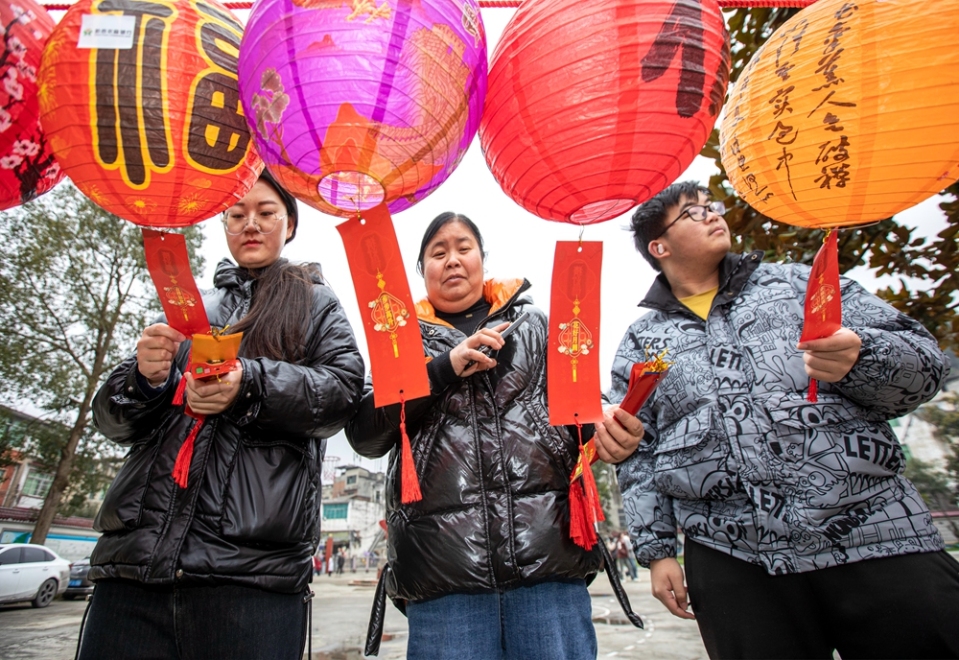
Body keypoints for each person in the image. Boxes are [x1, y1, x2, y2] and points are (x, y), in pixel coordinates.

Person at [610, 180, 959, 659]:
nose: (714, 215)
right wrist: (658, 551)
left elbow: (926, 366)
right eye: (694, 212)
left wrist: (863, 357)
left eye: (713, 206)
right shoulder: (641, 340)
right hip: (732, 555)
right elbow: (637, 451)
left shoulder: (802, 285)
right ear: (659, 246)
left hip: (876, 531)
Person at [78, 171, 365, 660]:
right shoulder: (187, 305)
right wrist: (143, 380)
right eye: (236, 214)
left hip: (250, 579)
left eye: (266, 212)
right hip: (133, 569)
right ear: (224, 224)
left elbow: (342, 391)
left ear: (290, 225)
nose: (250, 224)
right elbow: (110, 422)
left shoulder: (315, 302)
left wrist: (249, 383)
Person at [346, 212, 643, 659]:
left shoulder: (536, 325)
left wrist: (609, 430)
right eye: (438, 252)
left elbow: (582, 409)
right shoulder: (399, 340)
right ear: (421, 270)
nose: (452, 260)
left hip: (547, 556)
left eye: (463, 248)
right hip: (443, 572)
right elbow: (365, 434)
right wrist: (442, 369)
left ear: (483, 260)